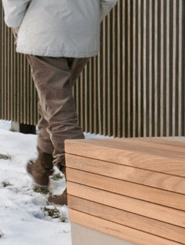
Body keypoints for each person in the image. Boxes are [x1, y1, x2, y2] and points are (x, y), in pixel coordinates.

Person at [2, 0, 118, 205]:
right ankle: (42, 167)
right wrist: (90, 17)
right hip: (82, 29)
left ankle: (79, 182)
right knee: (54, 103)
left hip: (43, 28)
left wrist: (16, 24)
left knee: (58, 109)